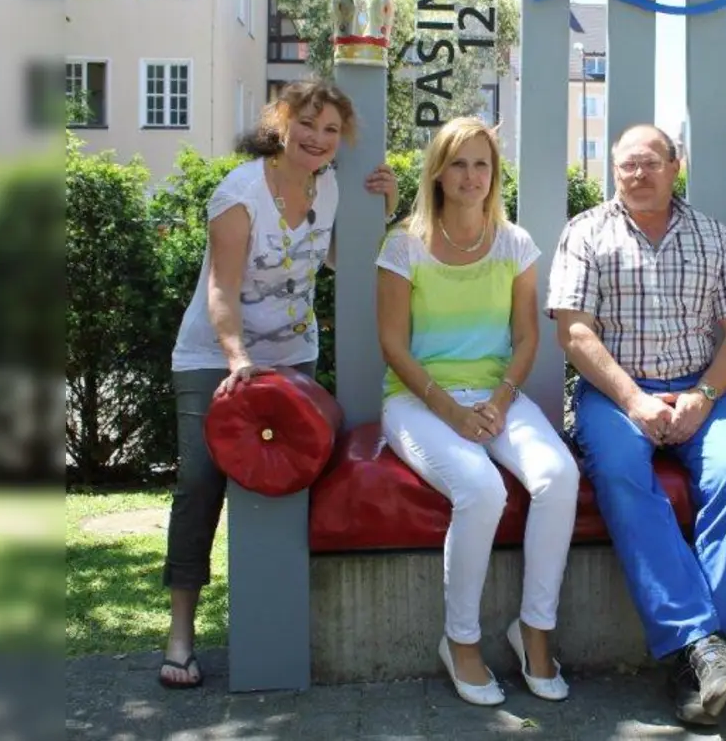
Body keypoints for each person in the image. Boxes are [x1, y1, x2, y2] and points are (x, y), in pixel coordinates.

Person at [161, 79, 398, 689]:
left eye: (331, 131)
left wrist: (384, 210)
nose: (318, 139)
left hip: (292, 357)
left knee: (290, 482)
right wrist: (238, 359)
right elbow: (221, 288)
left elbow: (342, 263)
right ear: (281, 122)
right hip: (215, 355)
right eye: (308, 125)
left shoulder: (333, 185)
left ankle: (284, 625)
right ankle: (180, 634)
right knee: (200, 482)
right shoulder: (240, 193)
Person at [546, 124, 726, 726]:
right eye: (624, 166)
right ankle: (703, 643)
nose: (636, 175)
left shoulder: (712, 235)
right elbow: (575, 331)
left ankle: (711, 652)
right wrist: (636, 401)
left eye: (648, 163)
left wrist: (703, 394)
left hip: (701, 390)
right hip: (615, 396)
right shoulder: (586, 232)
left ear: (675, 165)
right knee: (619, 474)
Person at [376, 117, 578, 706]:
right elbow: (392, 345)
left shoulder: (516, 244)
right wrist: (451, 412)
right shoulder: (403, 244)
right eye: (459, 164)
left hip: (498, 399)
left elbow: (525, 340)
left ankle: (534, 630)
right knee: (481, 489)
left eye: (482, 164)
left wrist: (497, 401)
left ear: (495, 175)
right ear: (438, 171)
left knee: (559, 477)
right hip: (417, 402)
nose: (471, 176)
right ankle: (460, 641)